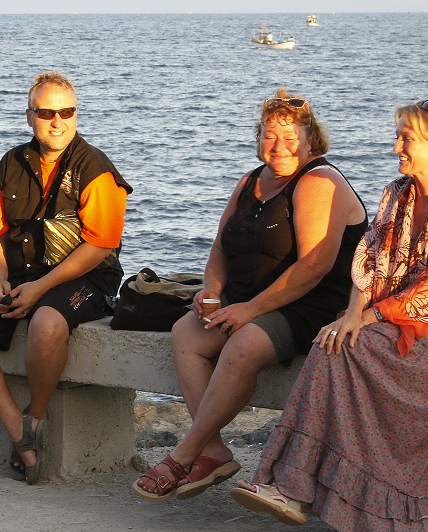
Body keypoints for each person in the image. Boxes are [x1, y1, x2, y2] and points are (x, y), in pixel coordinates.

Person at [230, 95, 428, 530]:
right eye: (398, 136)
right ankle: (292, 487)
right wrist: (353, 313)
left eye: (406, 138)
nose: (396, 146)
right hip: (393, 315)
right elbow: (370, 259)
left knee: (347, 348)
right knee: (334, 339)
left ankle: (295, 487)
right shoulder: (397, 192)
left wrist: (370, 318)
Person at [133, 88, 368, 501]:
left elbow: (314, 267)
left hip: (307, 305)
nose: (278, 146)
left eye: (290, 137)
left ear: (311, 140)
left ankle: (185, 453)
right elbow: (220, 249)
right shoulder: (250, 181)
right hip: (247, 302)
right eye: (269, 135)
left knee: (242, 344)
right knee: (186, 332)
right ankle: (214, 450)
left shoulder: (319, 181)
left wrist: (249, 310)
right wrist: (211, 291)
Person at [0, 71, 131, 485]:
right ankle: (16, 426)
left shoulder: (96, 170)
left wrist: (40, 289)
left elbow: (100, 247)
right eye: (46, 113)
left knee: (46, 323)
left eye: (66, 112)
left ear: (76, 115)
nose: (57, 122)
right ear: (29, 116)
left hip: (85, 277)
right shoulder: (11, 163)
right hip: (20, 271)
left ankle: (35, 416)